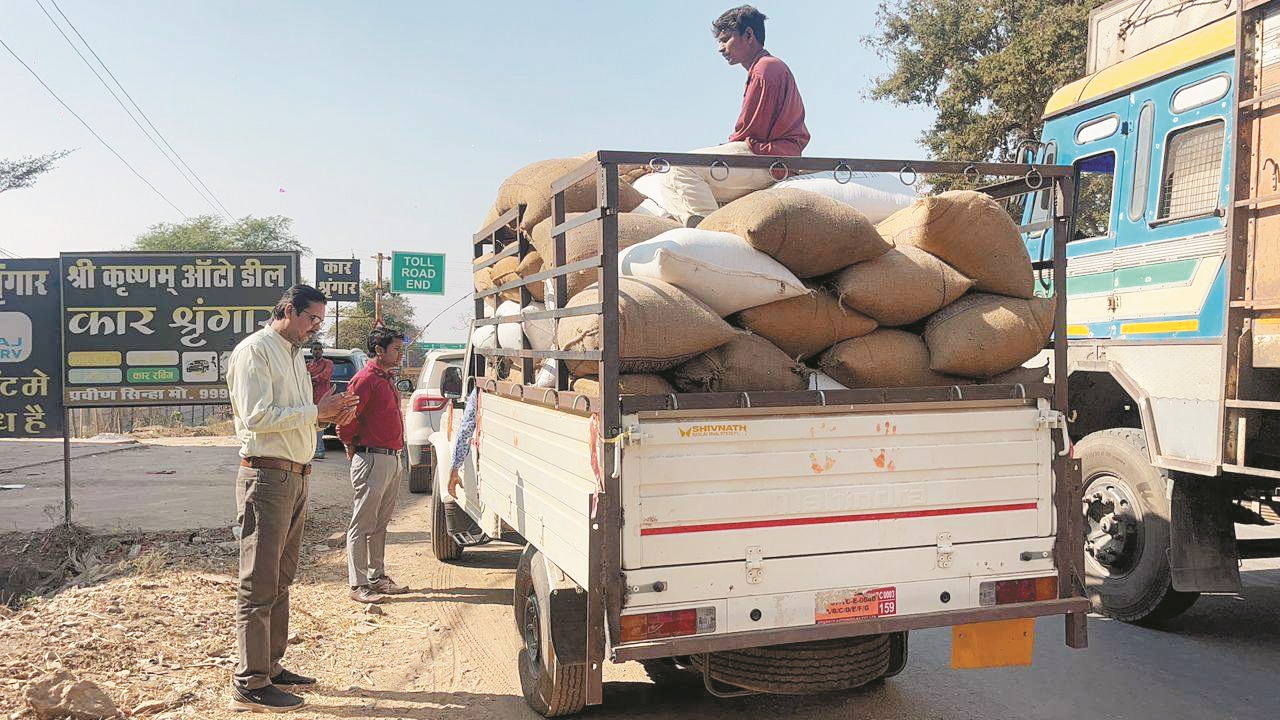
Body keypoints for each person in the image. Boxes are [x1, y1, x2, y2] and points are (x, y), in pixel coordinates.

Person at [226, 284, 359, 713]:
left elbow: (298, 422)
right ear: (287, 310)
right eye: (310, 318)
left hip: (295, 477)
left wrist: (330, 415)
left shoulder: (292, 355)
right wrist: (315, 412)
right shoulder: (255, 351)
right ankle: (250, 680)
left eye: (320, 320)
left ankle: (271, 666)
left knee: (281, 579)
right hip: (266, 477)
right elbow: (257, 418)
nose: (315, 327)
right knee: (258, 581)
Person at [658, 5, 810, 227]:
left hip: (769, 157)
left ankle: (714, 232)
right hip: (763, 154)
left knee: (682, 167)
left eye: (726, 39)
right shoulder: (764, 68)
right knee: (667, 176)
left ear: (749, 35)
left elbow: (751, 130)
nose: (721, 48)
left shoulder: (765, 69)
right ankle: (697, 225)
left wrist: (723, 148)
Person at [338, 327, 410, 604]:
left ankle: (377, 577)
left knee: (380, 523)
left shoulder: (386, 379)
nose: (401, 354)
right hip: (371, 458)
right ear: (379, 351)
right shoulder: (365, 380)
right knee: (362, 523)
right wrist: (351, 446)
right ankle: (358, 585)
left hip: (391, 457)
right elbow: (347, 421)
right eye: (396, 349)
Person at [305, 342, 333, 460]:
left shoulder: (328, 363)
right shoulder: (308, 365)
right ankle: (311, 449)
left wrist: (311, 379)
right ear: (311, 351)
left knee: (320, 423)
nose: (318, 351)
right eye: (315, 349)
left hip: (322, 399)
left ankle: (319, 450)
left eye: (320, 349)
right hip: (310, 398)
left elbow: (324, 376)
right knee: (310, 424)